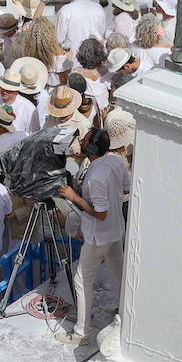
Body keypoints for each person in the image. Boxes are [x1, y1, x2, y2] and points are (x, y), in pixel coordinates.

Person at [58, 127, 129, 345]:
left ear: (90, 147)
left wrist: (73, 197)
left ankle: (81, 333)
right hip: (116, 230)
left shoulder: (96, 177)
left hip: (99, 236)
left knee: (82, 280)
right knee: (120, 273)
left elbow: (100, 213)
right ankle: (126, 313)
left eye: (85, 139)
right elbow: (126, 188)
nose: (81, 140)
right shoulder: (116, 161)